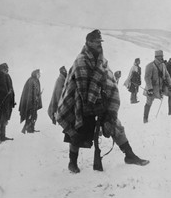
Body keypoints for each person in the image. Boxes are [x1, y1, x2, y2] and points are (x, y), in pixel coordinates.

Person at [56, 30, 149, 173]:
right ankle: (72, 162)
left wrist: (103, 100)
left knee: (114, 125)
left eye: (100, 42)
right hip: (82, 102)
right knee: (77, 130)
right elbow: (82, 86)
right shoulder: (81, 60)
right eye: (96, 42)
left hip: (100, 100)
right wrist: (90, 104)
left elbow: (106, 80)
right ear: (88, 42)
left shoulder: (101, 60)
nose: (99, 44)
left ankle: (129, 156)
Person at [143, 50, 171, 123]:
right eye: (161, 56)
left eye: (162, 56)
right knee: (149, 102)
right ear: (156, 57)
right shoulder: (150, 65)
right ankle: (145, 118)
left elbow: (167, 75)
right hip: (152, 88)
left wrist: (170, 86)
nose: (162, 57)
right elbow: (147, 78)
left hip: (161, 87)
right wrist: (150, 88)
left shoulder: (163, 65)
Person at [19, 69, 43, 133]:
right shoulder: (31, 80)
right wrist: (33, 100)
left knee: (34, 115)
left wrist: (37, 96)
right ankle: (27, 129)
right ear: (36, 74)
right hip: (31, 102)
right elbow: (30, 93)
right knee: (30, 116)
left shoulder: (36, 80)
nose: (40, 75)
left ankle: (31, 128)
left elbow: (36, 91)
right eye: (38, 74)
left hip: (34, 102)